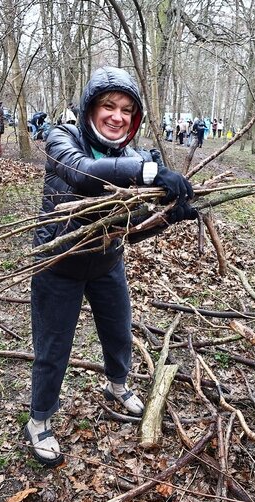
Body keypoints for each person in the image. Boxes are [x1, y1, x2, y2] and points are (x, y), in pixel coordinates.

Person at [24, 66, 197, 467]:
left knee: (119, 331)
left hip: (106, 262)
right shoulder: (62, 138)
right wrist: (149, 172)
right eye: (108, 106)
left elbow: (130, 230)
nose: (117, 117)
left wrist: (170, 216)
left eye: (126, 110)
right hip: (59, 263)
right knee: (53, 347)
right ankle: (39, 420)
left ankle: (117, 385)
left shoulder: (132, 156)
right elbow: (83, 174)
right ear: (90, 108)